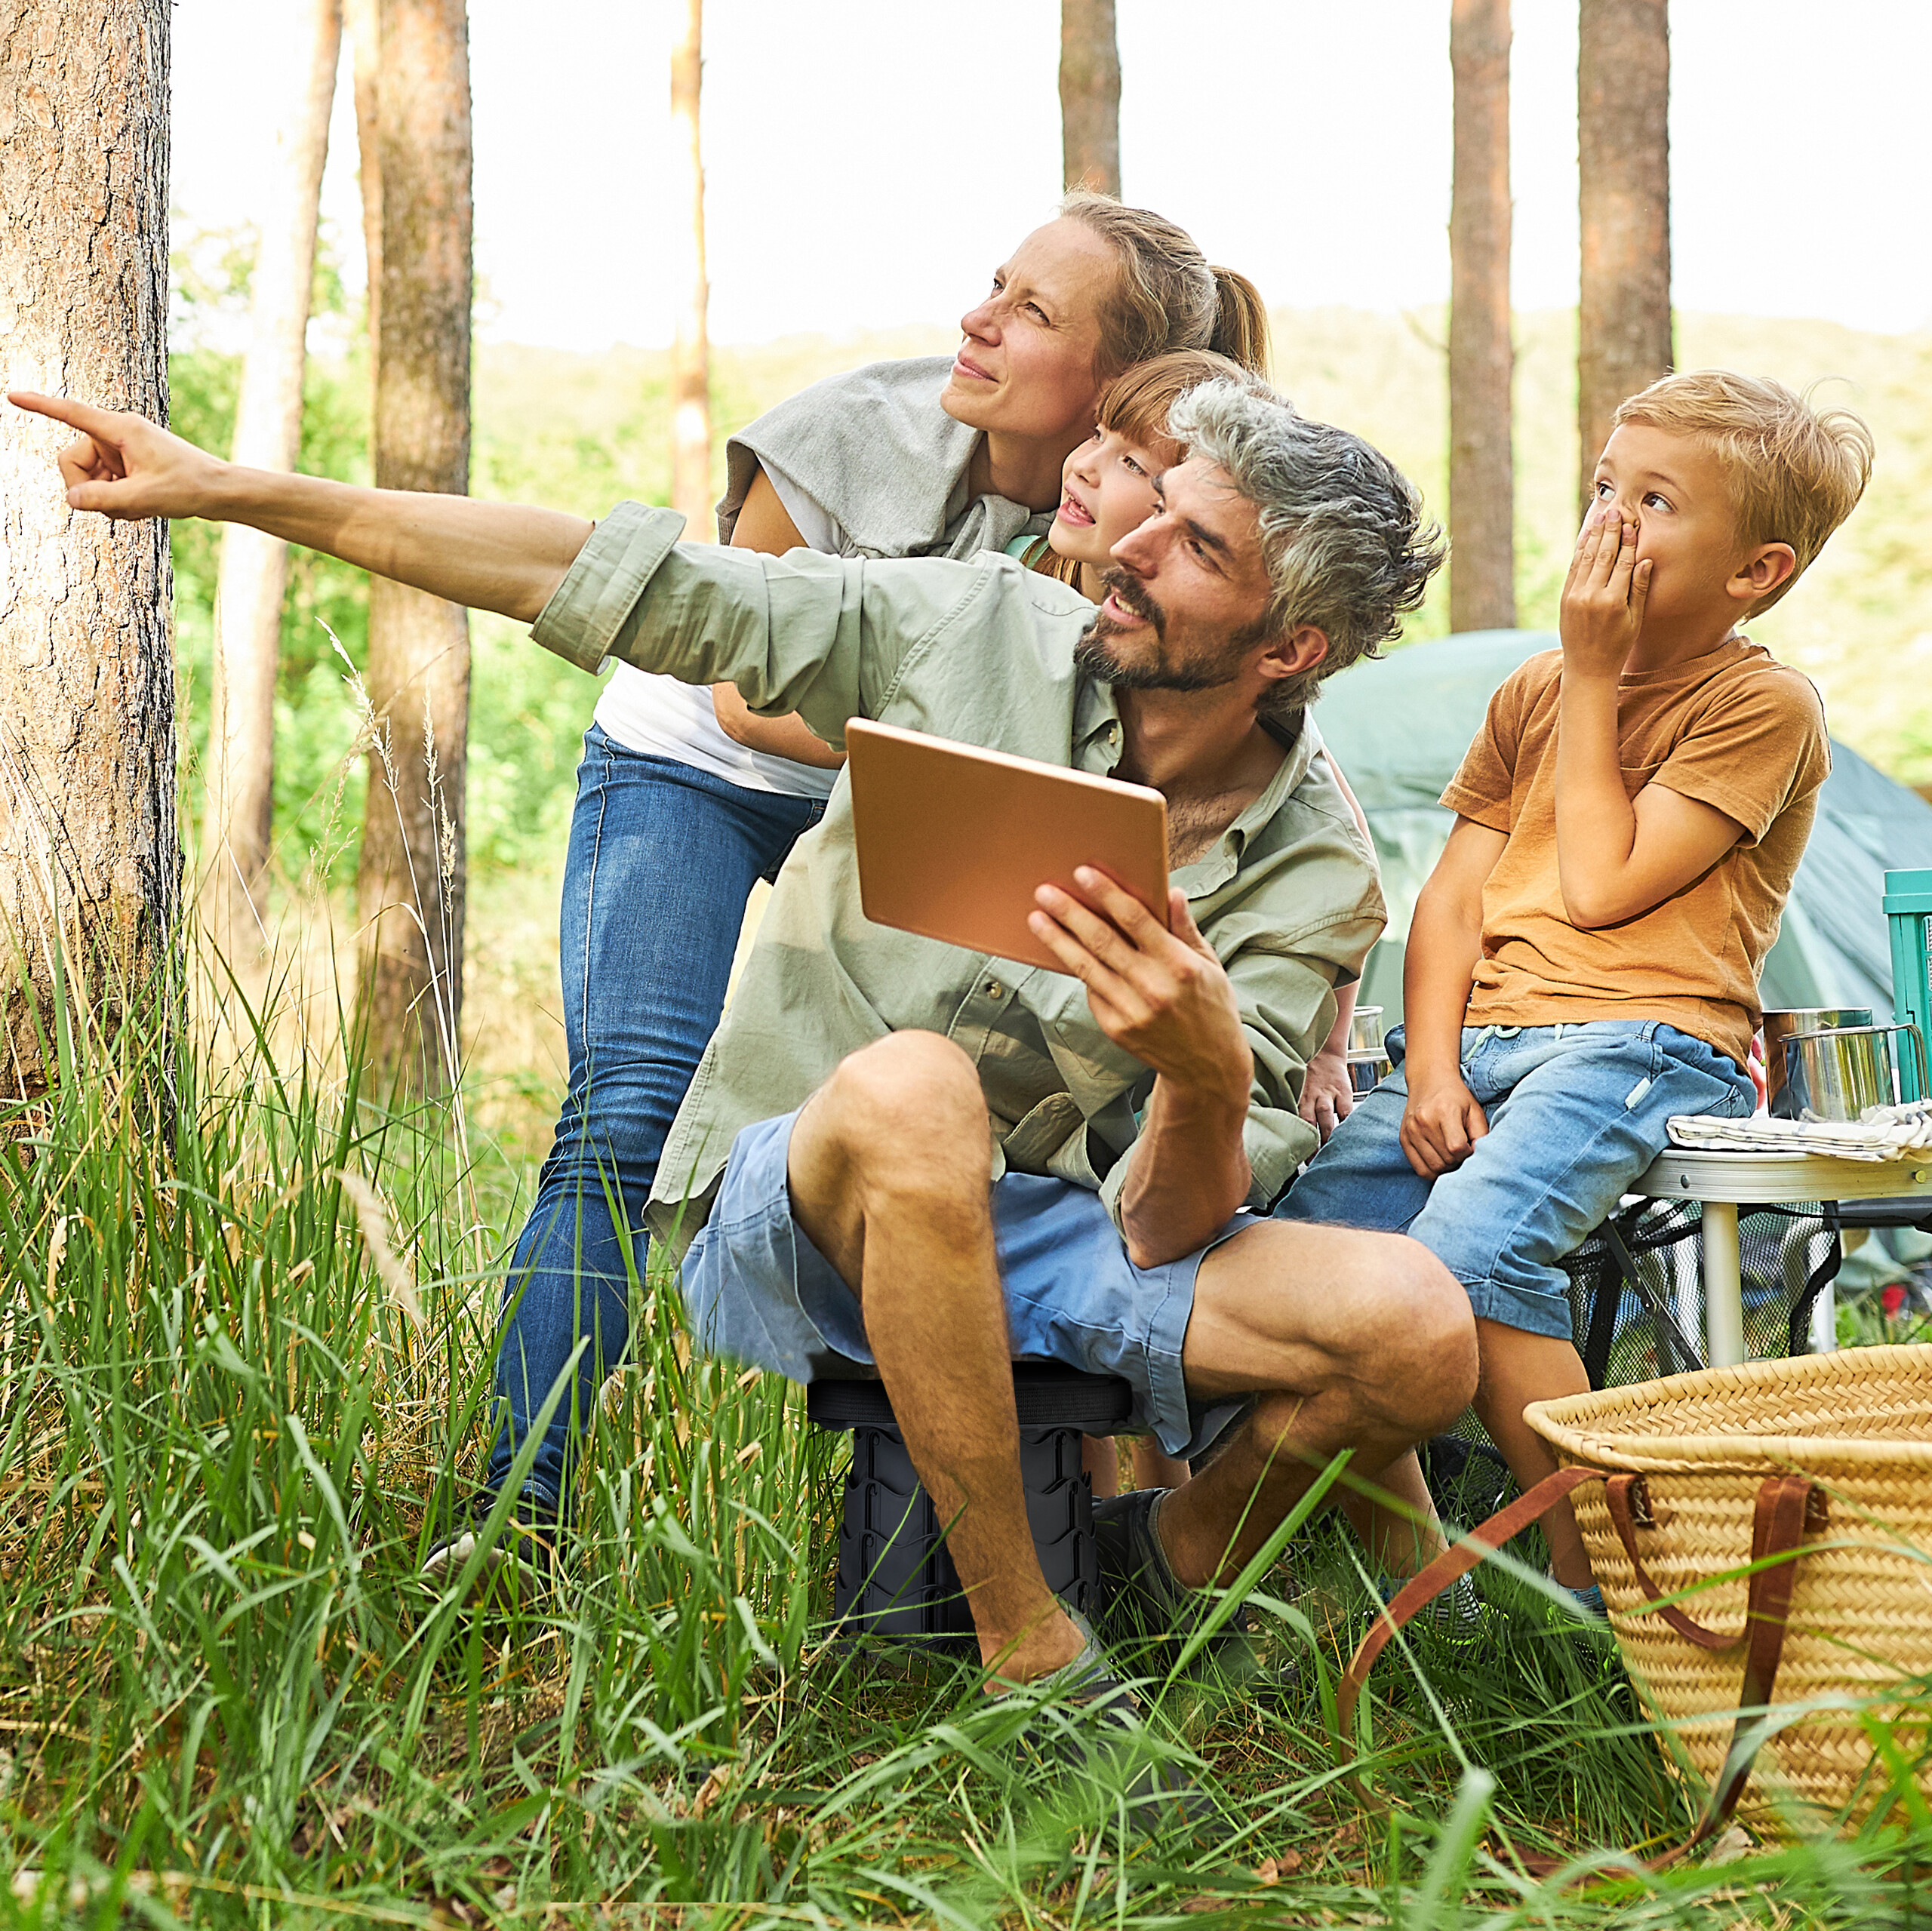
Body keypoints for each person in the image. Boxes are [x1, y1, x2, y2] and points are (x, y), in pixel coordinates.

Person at [14, 373, 1476, 1705]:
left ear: (1284, 645)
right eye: (1152, 509)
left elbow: (1165, 1232)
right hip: (812, 1188)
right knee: (919, 1087)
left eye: (1195, 545)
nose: (1132, 542)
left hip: (1068, 1229)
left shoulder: (1312, 875)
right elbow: (623, 581)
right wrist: (233, 487)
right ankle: (1037, 1649)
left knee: (1414, 1329)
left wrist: (1200, 1070)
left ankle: (1155, 1555)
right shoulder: (977, 627)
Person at [470, 194, 1274, 1540]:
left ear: (1113, 393)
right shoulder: (854, 430)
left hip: (931, 801)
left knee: (1020, 1117)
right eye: (995, 286)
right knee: (623, 1120)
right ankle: (513, 1513)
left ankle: (1062, 1523)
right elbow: (733, 688)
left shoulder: (1146, 497)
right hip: (712, 771)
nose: (979, 321)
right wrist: (963, 711)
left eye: (1031, 312)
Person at [1276, 370, 1874, 1611]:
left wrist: (1596, 676)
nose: (1612, 520)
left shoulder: (1760, 706)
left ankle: (1617, 1601)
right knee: (1309, 1260)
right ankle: (1423, 1576)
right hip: (1485, 1041)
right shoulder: (1533, 696)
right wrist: (1430, 1066)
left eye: (1656, 502)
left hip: (1646, 1042)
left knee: (1471, 1259)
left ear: (1756, 570)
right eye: (1607, 485)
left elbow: (1600, 886)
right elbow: (1448, 903)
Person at [1016, 346, 1377, 1499]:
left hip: (1123, 1163)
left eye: (1141, 465)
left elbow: (1335, 869)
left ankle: (1146, 1551)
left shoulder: (1284, 799)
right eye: (1131, 467)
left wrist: (1301, 1050)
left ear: (1289, 648)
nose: (1106, 490)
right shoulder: (1015, 627)